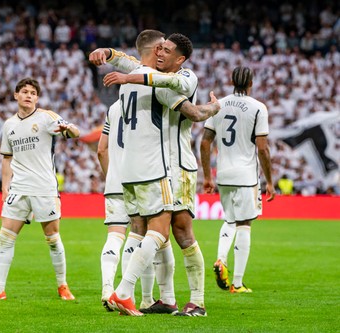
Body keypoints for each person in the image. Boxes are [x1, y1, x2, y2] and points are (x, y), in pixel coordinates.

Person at [93, 30, 220, 316]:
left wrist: (214, 106)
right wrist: (108, 53)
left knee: (181, 231)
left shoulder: (186, 78)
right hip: (158, 166)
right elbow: (130, 62)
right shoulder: (149, 76)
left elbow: (193, 111)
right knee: (153, 231)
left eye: (167, 50)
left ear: (180, 58)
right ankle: (165, 298)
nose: (160, 53)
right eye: (158, 48)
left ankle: (197, 301)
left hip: (180, 166)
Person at [0, 78, 79, 301]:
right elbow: (6, 159)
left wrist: (69, 129)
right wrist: (4, 188)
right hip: (18, 189)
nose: (28, 95)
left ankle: (63, 286)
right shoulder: (9, 125)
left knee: (52, 238)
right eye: (24, 92)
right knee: (5, 239)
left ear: (37, 98)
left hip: (44, 188)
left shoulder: (46, 117)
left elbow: (74, 133)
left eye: (32, 92)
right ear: (16, 95)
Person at [200, 66, 276, 293]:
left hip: (223, 174)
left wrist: (207, 176)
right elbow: (262, 149)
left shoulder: (219, 104)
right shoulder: (258, 108)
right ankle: (238, 283)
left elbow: (205, 142)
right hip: (245, 175)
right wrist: (270, 181)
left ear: (232, 80)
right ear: (251, 83)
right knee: (244, 224)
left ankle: (221, 259)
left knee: (230, 220)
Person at [97, 100, 151, 311]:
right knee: (140, 235)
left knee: (114, 236)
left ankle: (106, 289)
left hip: (114, 181)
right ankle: (124, 293)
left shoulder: (113, 107)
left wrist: (111, 176)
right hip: (138, 180)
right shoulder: (146, 103)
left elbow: (101, 150)